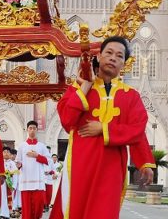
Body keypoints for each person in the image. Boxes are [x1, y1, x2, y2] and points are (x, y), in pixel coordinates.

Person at [50, 36, 156, 219]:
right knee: (74, 208)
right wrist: (84, 88)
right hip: (80, 162)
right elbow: (67, 121)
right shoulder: (78, 87)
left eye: (119, 56)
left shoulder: (131, 96)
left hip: (112, 166)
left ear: (124, 63)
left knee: (104, 211)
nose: (113, 58)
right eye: (109, 52)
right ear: (99, 56)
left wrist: (144, 162)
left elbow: (137, 130)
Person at [15, 121, 51, 219]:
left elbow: (49, 161)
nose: (32, 130)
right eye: (30, 128)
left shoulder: (42, 146)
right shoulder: (22, 146)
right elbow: (18, 162)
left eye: (34, 128)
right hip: (25, 181)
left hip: (38, 182)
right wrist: (18, 164)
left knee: (38, 207)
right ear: (27, 129)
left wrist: (37, 156)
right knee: (26, 210)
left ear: (37, 130)